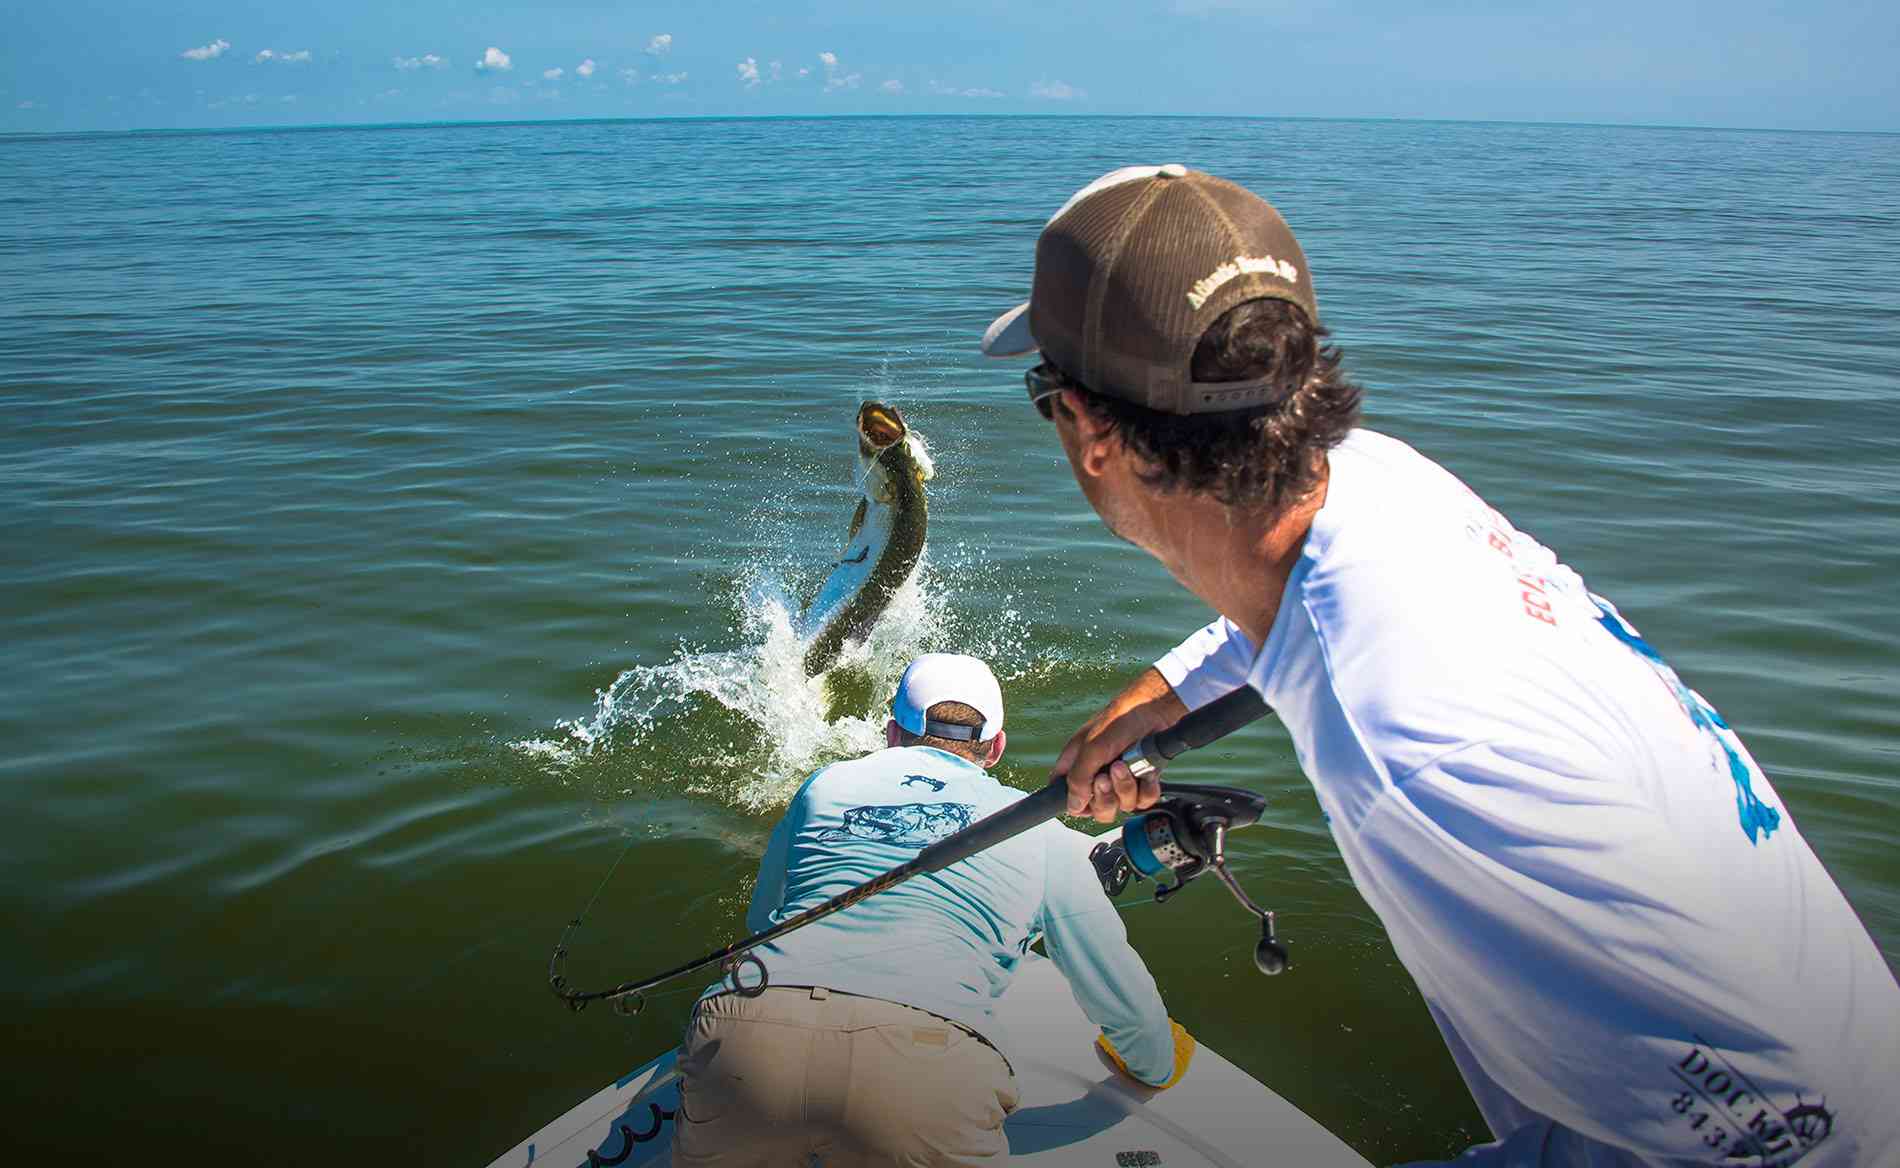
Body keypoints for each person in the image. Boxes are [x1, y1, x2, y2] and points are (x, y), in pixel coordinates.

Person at [979, 165, 1900, 1166]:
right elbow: (1296, 622)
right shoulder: (1374, 479)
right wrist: (1158, 700)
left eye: (1047, 400)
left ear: (1090, 429)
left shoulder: (1416, 761)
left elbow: (1790, 1136)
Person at [674, 652, 1195, 1167]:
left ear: (891, 733)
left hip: (748, 1045)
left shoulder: (824, 785)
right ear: (995, 748)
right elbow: (1113, 980)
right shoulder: (1041, 831)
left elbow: (762, 921)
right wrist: (1154, 1065)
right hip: (927, 1070)